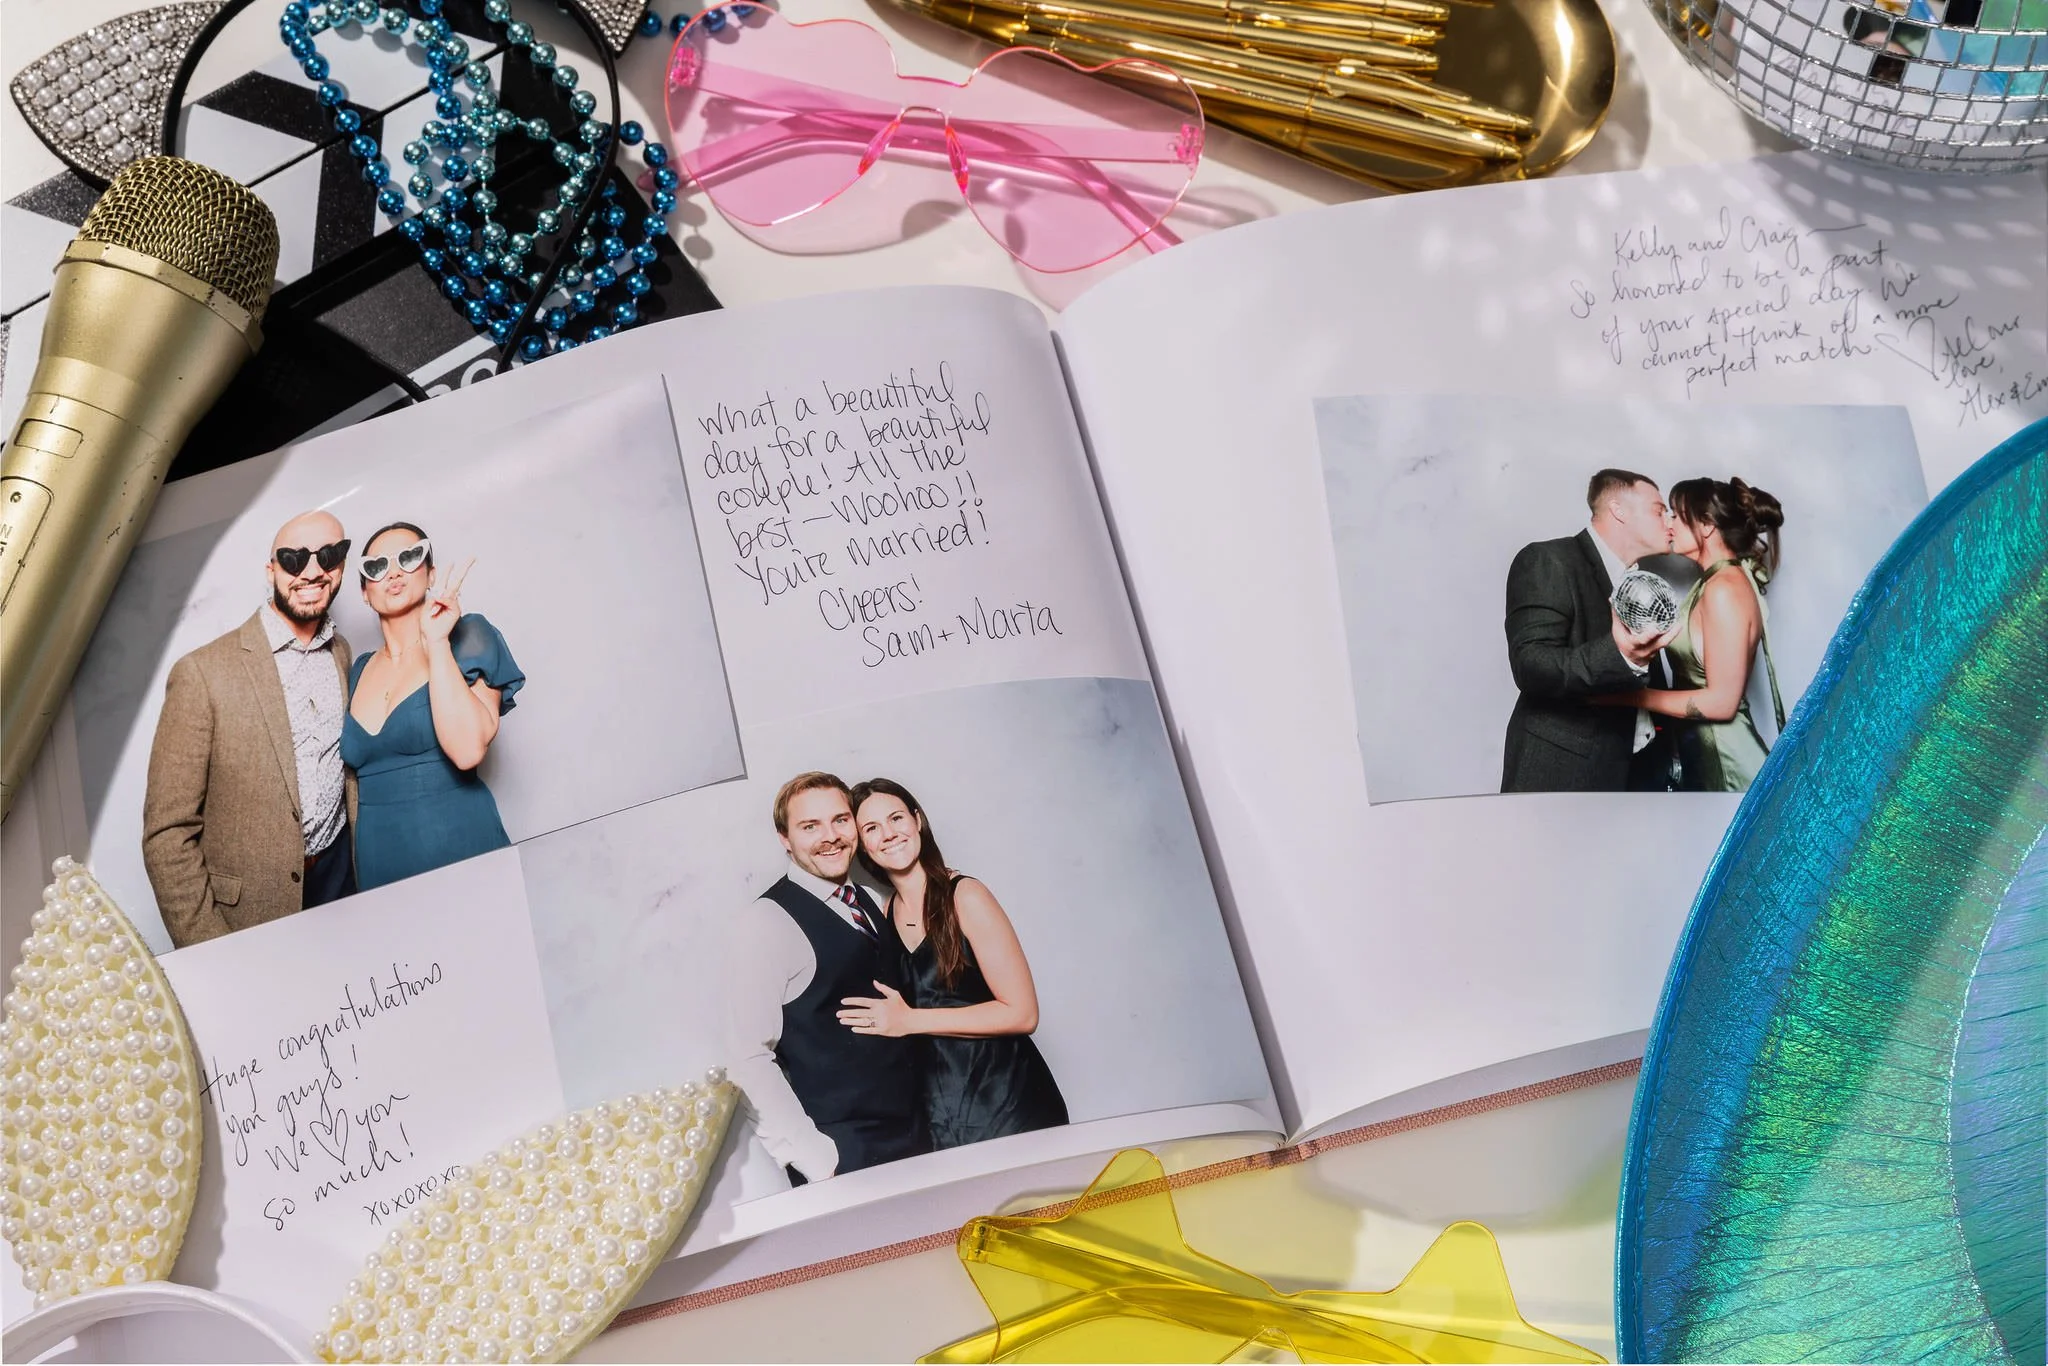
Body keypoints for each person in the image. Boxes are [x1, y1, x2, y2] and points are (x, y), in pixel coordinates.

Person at [143, 511, 358, 947]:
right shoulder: (202, 673)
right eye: (294, 558)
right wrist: (213, 948)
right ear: (271, 569)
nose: (312, 571)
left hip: (341, 890)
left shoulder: (341, 653)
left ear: (342, 566)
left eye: (329, 555)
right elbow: (167, 834)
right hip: (247, 918)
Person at [725, 773, 930, 1185]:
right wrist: (819, 1162)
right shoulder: (765, 921)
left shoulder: (871, 901)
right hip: (846, 1158)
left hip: (919, 1138)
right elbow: (745, 1057)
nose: (830, 836)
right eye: (810, 826)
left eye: (840, 820)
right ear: (785, 838)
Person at [842, 779, 1068, 1149]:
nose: (888, 834)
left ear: (917, 821)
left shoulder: (966, 896)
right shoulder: (884, 914)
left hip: (1011, 1109)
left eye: (896, 818)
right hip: (943, 1124)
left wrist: (910, 1021)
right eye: (871, 828)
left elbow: (1022, 1013)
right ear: (863, 846)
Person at [342, 522, 523, 890]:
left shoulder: (468, 638)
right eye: (376, 566)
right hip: (377, 858)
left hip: (455, 842)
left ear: (431, 574)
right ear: (364, 591)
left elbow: (468, 751)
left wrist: (437, 642)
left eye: (408, 558)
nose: (393, 571)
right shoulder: (356, 669)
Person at [1596, 477, 1785, 792]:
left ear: (1708, 525)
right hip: (1704, 757)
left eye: (1676, 514)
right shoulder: (1712, 582)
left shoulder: (1724, 588)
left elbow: (1723, 703)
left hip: (1729, 764)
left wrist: (1626, 698)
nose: (1668, 523)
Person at [1501, 468, 1680, 793]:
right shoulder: (1548, 560)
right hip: (1564, 774)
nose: (1670, 522)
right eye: (1659, 510)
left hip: (1635, 775)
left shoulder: (1638, 580)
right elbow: (1530, 664)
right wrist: (1620, 655)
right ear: (1618, 510)